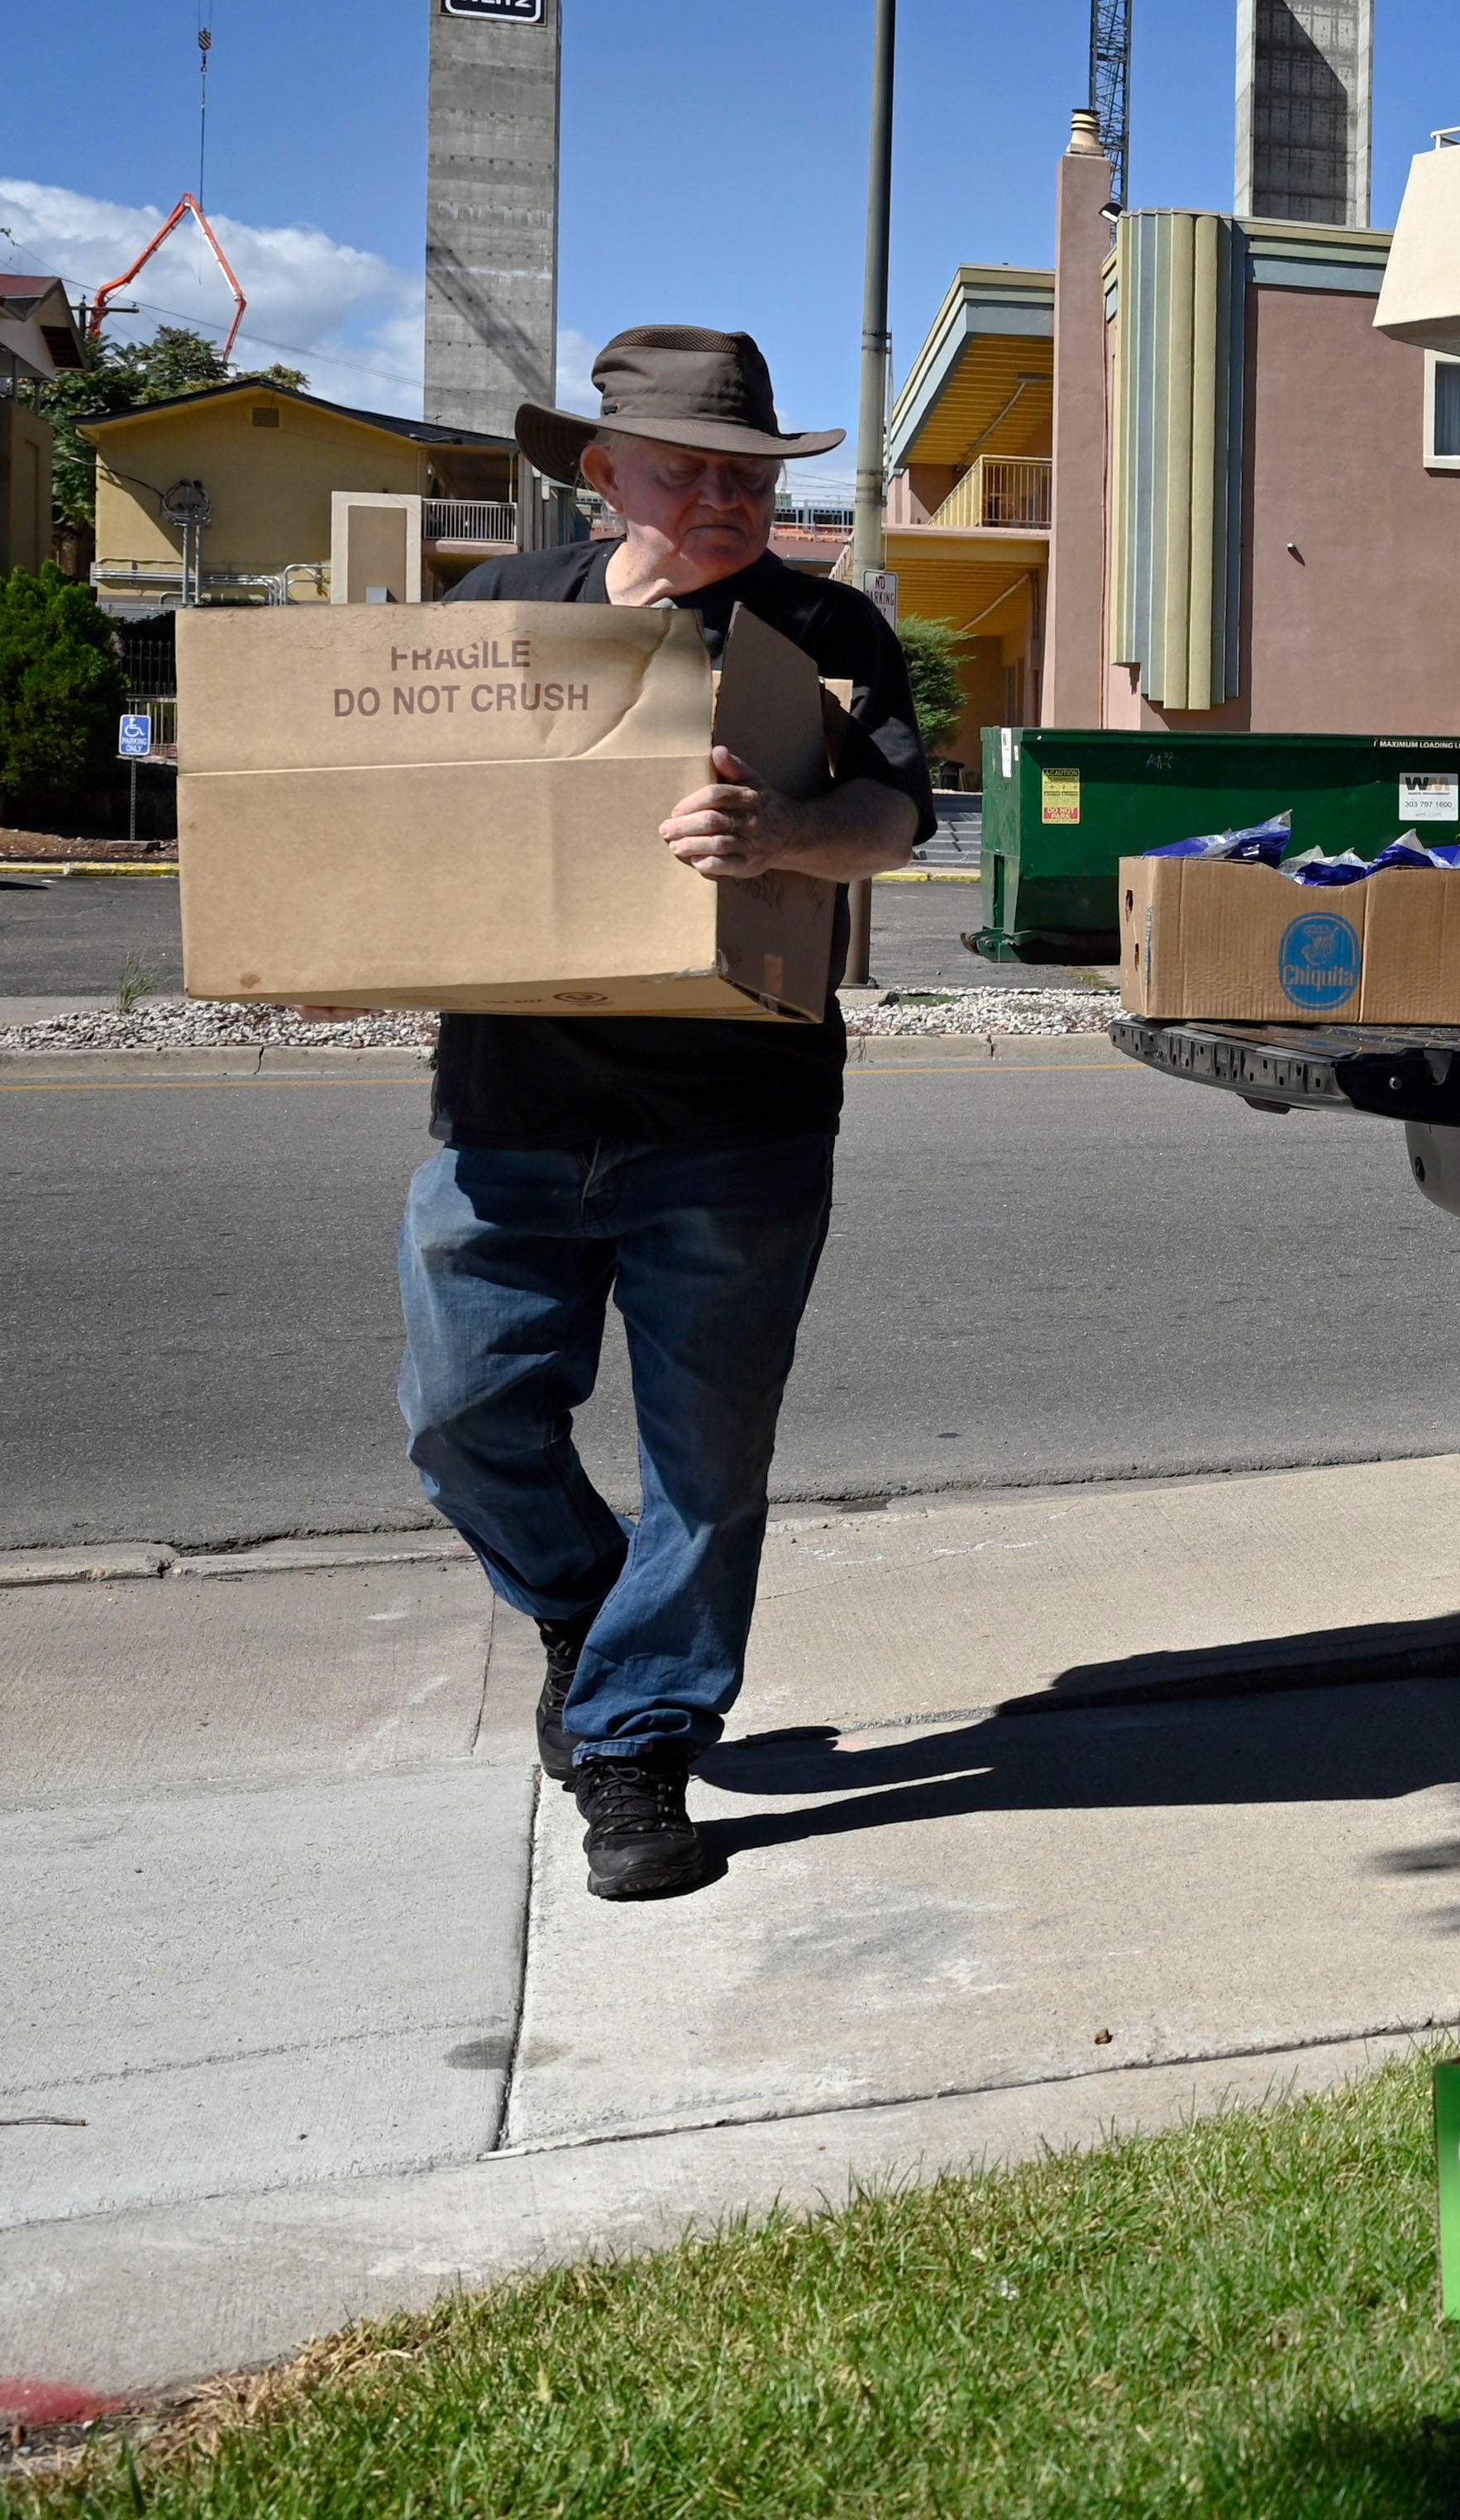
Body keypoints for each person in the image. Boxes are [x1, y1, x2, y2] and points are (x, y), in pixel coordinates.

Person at [394, 329, 931, 1900]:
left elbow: (893, 818)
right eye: (686, 466)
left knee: (708, 1464)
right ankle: (588, 1603)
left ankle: (635, 1743)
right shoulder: (498, 617)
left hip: (739, 1120)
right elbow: (404, 807)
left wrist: (788, 830)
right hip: (506, 1109)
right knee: (462, 1417)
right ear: (601, 474)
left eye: (751, 470)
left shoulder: (827, 626)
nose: (724, 494)